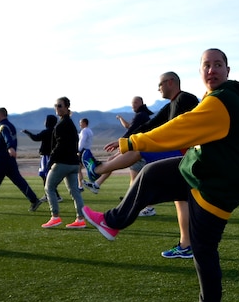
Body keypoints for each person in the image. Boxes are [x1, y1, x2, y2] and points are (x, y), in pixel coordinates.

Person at [83, 49, 239, 302]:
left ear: (228, 70)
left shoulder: (222, 101)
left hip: (218, 184)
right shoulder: (215, 99)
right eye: (206, 65)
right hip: (201, 169)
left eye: (218, 65)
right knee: (152, 174)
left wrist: (131, 142)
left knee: (203, 247)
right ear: (200, 72)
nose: (211, 70)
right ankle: (113, 221)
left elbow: (178, 129)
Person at [85, 72, 200, 258]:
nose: (158, 88)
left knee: (139, 150)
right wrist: (124, 140)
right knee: (181, 200)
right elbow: (151, 125)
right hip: (184, 155)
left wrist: (133, 142)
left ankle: (97, 170)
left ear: (170, 83)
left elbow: (170, 129)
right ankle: (186, 245)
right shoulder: (171, 105)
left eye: (160, 84)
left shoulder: (185, 99)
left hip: (185, 153)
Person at [87, 96, 154, 193]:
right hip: (134, 147)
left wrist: (120, 143)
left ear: (141, 103)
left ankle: (146, 206)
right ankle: (97, 184)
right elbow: (129, 127)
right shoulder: (142, 115)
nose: (133, 105)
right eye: (132, 103)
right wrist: (120, 118)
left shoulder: (141, 115)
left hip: (137, 149)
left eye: (135, 103)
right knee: (112, 160)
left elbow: (131, 130)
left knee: (134, 181)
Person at [41, 97, 86, 229]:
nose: (57, 108)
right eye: (56, 105)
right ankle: (80, 219)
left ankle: (55, 217)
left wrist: (51, 160)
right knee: (74, 191)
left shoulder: (62, 125)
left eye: (60, 106)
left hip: (63, 163)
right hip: (73, 163)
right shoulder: (70, 123)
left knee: (49, 187)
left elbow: (60, 145)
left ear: (66, 107)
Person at [22, 114, 59, 195]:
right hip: (53, 156)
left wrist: (27, 132)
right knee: (47, 175)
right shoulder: (56, 131)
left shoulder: (46, 132)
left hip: (47, 156)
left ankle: (52, 194)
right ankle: (50, 194)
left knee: (45, 175)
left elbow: (36, 138)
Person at [76, 118, 93, 190]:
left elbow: (82, 141)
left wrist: (78, 150)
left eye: (81, 123)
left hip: (83, 151)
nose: (80, 124)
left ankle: (80, 185)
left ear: (84, 123)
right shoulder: (89, 131)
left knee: (78, 169)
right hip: (88, 150)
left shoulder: (84, 131)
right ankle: (84, 184)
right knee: (89, 167)